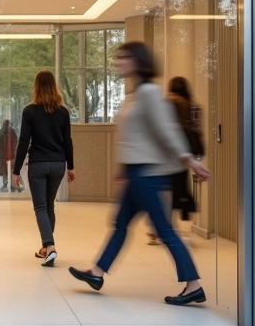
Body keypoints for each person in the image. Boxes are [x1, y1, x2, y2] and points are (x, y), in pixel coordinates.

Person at [68, 41, 212, 306]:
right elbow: (137, 136)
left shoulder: (149, 93)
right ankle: (97, 273)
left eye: (123, 57)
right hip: (136, 173)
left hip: (148, 176)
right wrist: (124, 167)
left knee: (164, 231)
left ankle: (193, 285)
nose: (118, 62)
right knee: (120, 225)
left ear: (138, 62)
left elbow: (166, 130)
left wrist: (189, 159)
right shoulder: (134, 95)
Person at [12, 71, 75, 267]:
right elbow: (68, 141)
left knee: (40, 207)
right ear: (55, 86)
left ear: (36, 87)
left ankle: (50, 246)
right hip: (58, 164)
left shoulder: (30, 111)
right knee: (49, 207)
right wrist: (71, 166)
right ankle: (45, 249)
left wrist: (16, 170)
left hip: (38, 164)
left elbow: (24, 141)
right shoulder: (63, 112)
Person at [149, 76, 201, 245]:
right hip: (185, 155)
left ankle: (164, 228)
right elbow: (197, 132)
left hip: (168, 154)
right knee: (179, 190)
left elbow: (162, 130)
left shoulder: (167, 104)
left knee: (164, 191)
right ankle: (167, 228)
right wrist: (196, 159)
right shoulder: (194, 107)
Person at [0, 119, 20, 192]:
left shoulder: (1, 133)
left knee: (4, 170)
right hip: (12, 154)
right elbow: (16, 141)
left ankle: (6, 184)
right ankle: (12, 184)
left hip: (3, 155)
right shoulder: (13, 132)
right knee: (11, 169)